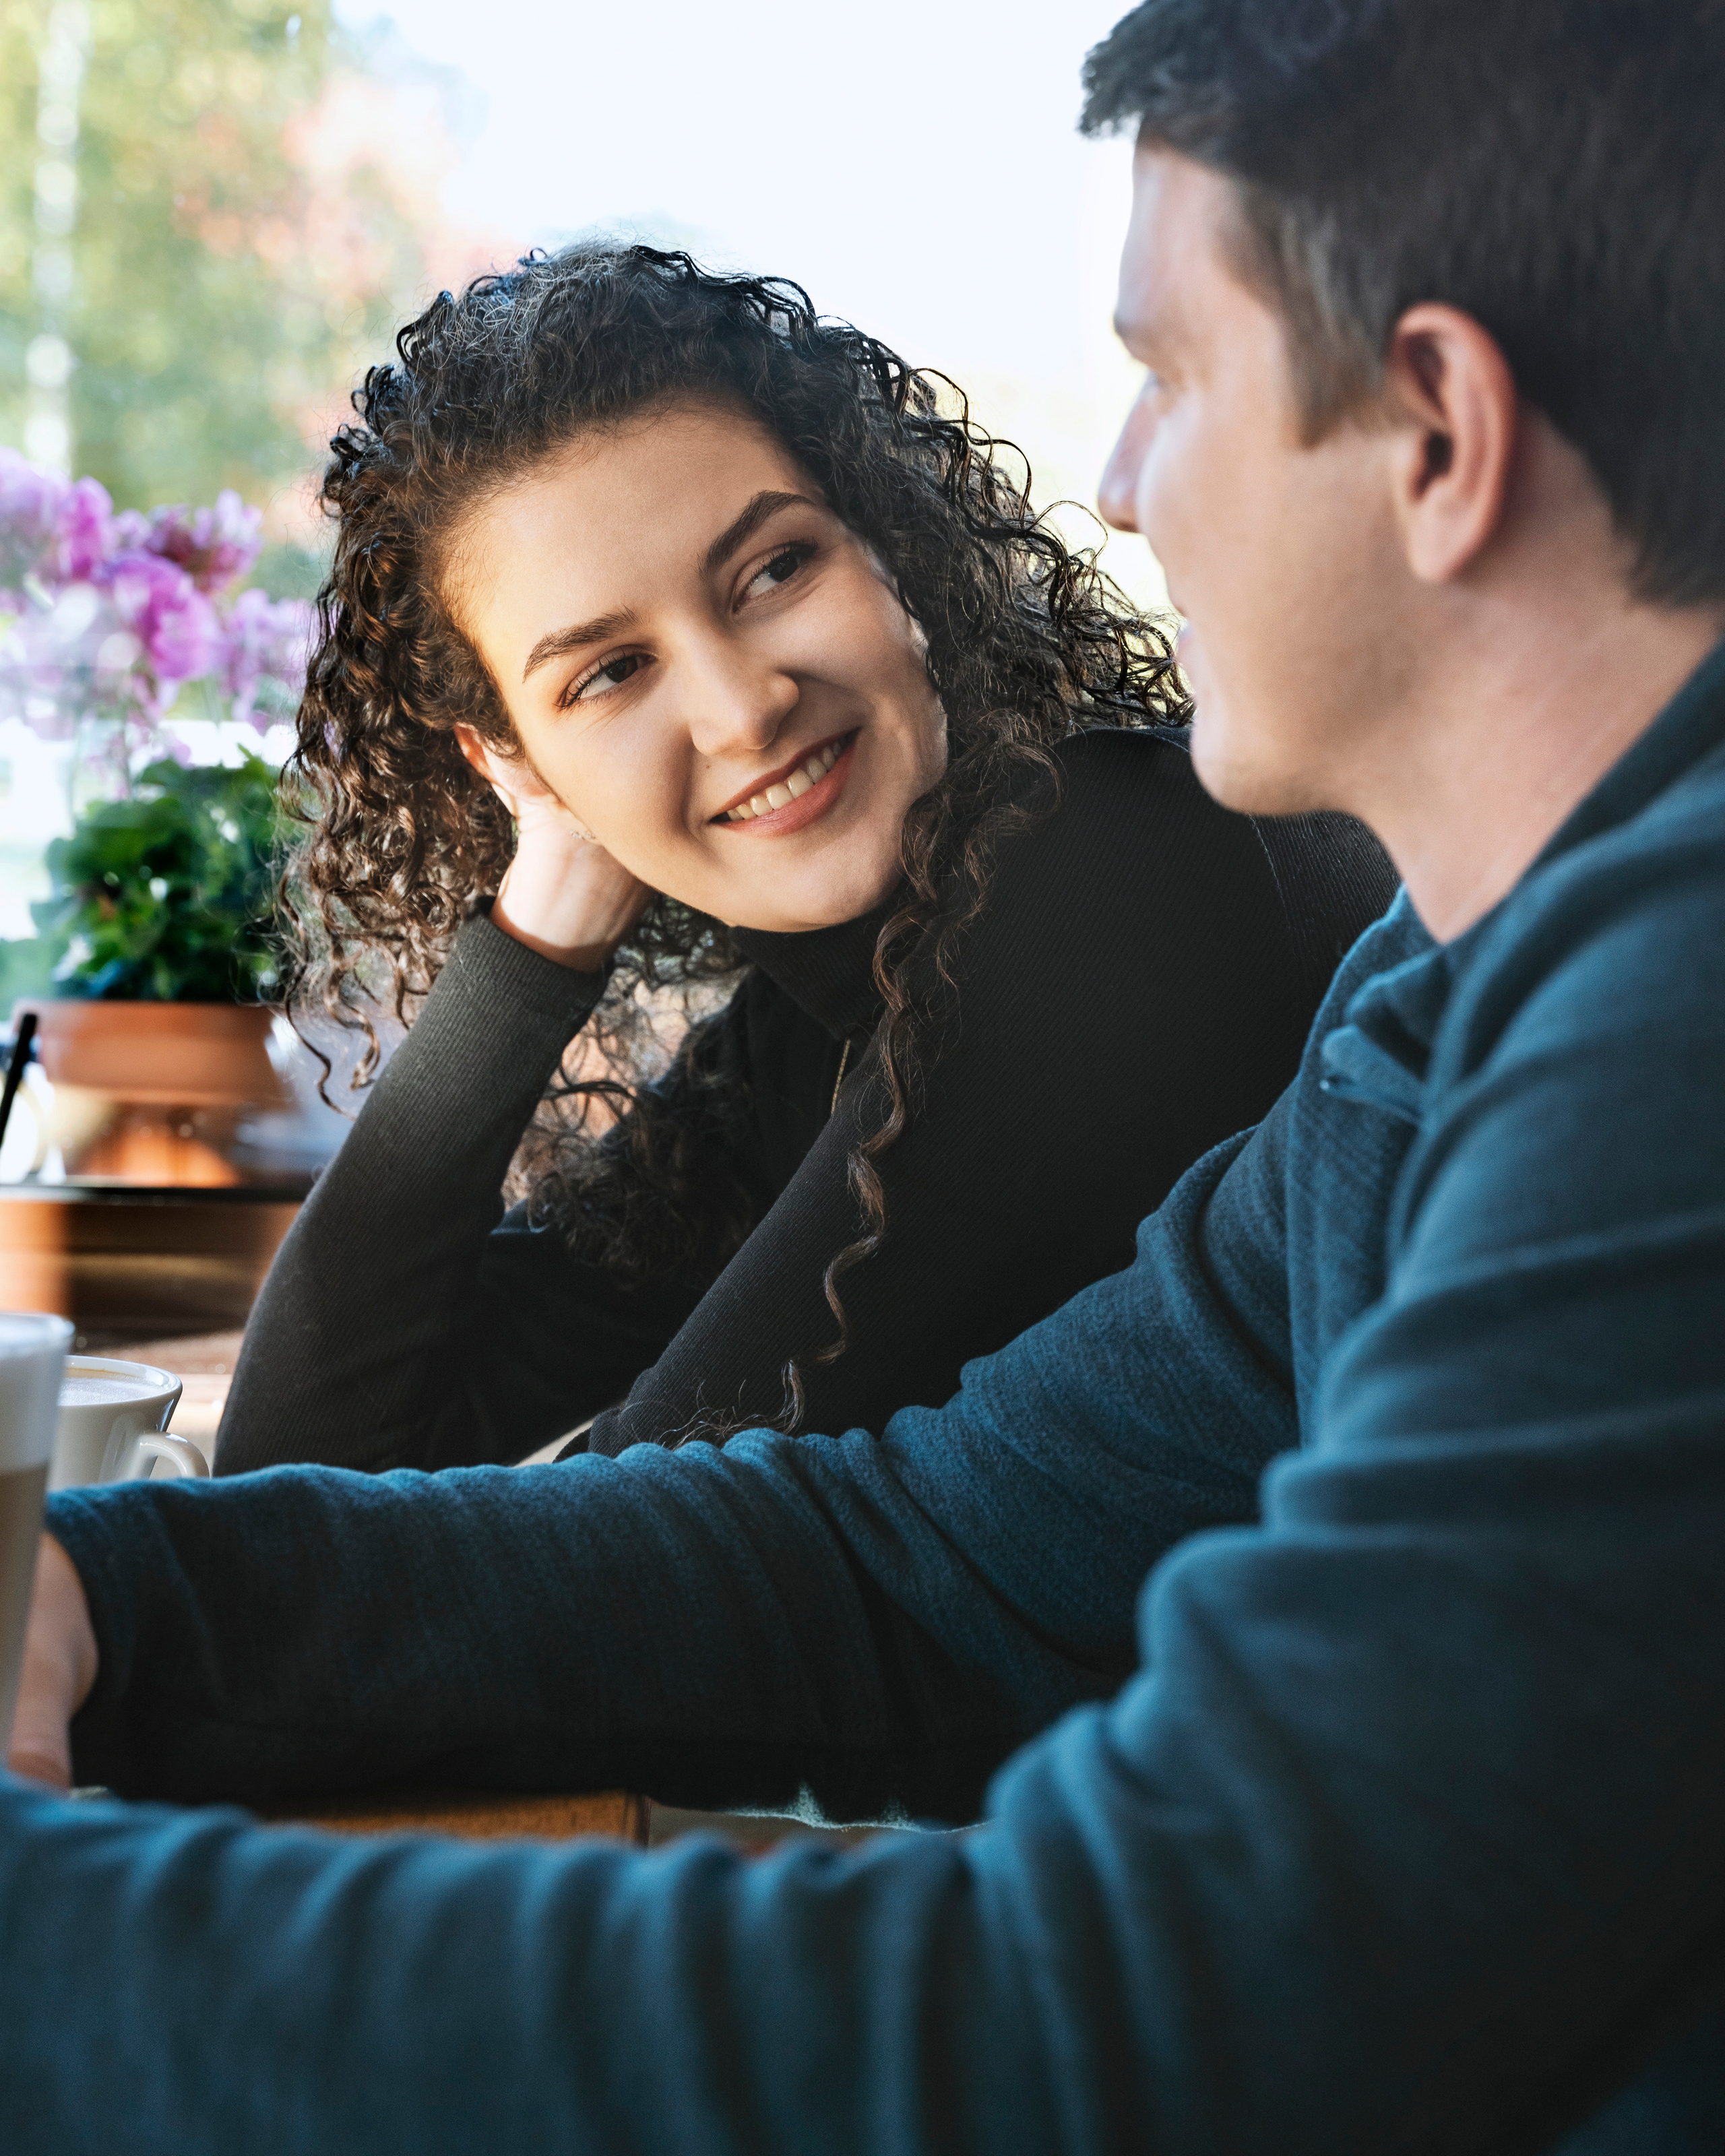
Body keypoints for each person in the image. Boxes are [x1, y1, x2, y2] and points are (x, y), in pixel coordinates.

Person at [7, 0, 1725, 2149]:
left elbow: (1142, 2010)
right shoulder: (1441, 1003)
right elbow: (925, 1560)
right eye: (606, 670)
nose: (1115, 479)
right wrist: (111, 1595)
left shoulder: (1661, 1031)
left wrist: (50, 1939)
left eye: (1169, 378)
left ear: (1441, 430)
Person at [215, 245, 1391, 1476]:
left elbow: (610, 1555)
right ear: (511, 763)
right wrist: (541, 914)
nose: (742, 710)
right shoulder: (828, 1010)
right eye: (610, 673)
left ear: (891, 551)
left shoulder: (1120, 885)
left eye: (776, 569)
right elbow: (296, 1476)